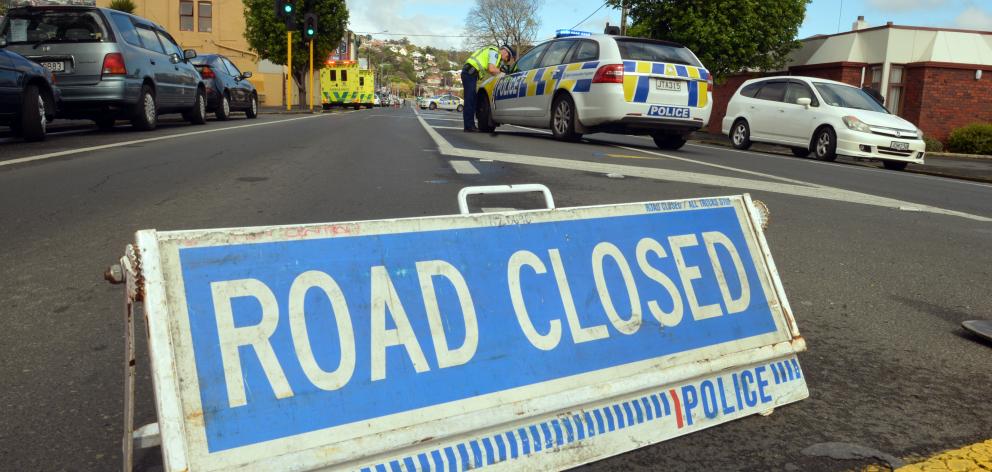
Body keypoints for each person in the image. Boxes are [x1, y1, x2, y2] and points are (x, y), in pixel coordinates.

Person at [461, 44, 515, 132]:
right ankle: (469, 126)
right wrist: (503, 71)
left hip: (469, 73)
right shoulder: (495, 53)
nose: (505, 60)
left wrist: (499, 71)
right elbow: (491, 69)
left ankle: (469, 125)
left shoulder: (492, 52)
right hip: (470, 73)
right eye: (507, 57)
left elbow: (493, 71)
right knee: (470, 100)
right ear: (505, 51)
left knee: (472, 99)